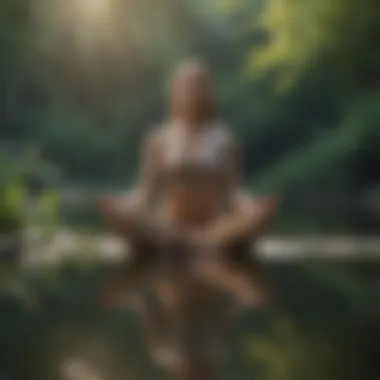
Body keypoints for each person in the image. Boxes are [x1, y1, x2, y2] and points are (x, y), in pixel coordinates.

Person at [99, 58, 277, 375]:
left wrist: (253, 212)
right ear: (175, 93)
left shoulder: (225, 140)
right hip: (167, 231)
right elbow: (144, 193)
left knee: (236, 230)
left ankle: (195, 246)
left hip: (214, 230)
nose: (192, 94)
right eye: (186, 87)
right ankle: (195, 248)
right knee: (138, 225)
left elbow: (236, 193)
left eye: (199, 88)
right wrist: (122, 210)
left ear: (210, 93)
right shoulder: (159, 139)